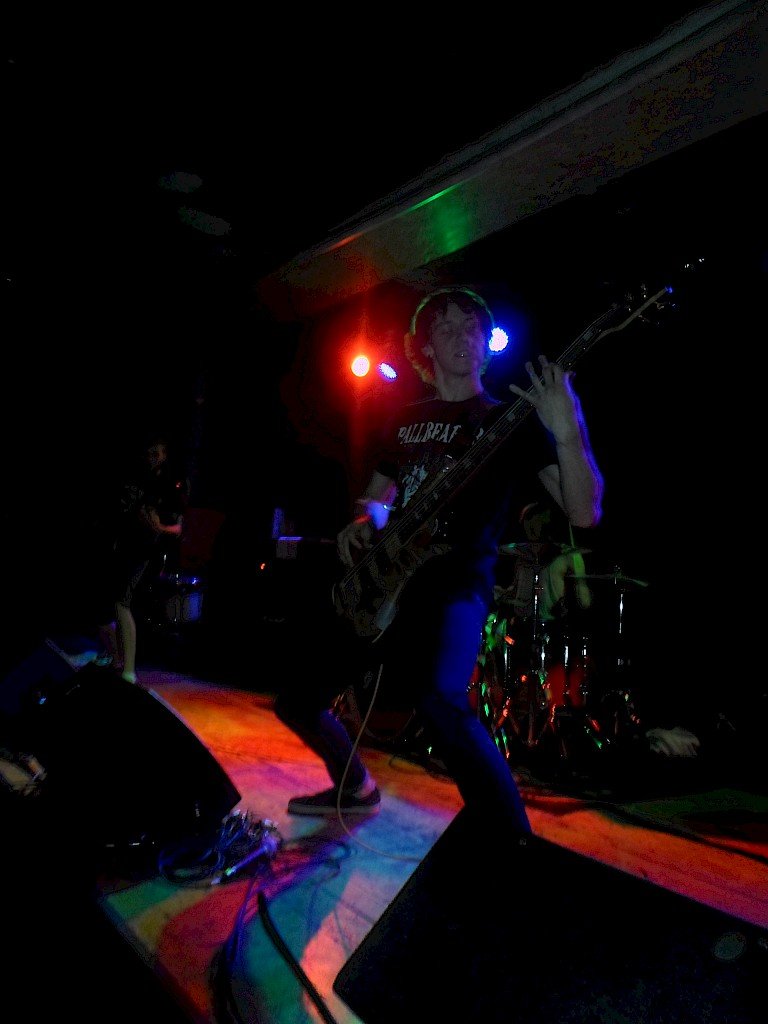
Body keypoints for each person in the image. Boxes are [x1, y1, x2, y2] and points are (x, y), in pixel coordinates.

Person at [273, 286, 604, 832]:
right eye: (446, 327)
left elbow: (584, 512)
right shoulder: (402, 418)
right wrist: (364, 520)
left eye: (472, 326)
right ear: (423, 347)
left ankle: (510, 838)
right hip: (382, 580)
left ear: (486, 342)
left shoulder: (508, 421)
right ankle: (354, 787)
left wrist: (569, 431)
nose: (461, 335)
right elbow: (377, 498)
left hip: (454, 581)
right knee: (295, 698)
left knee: (439, 700)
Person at [94, 435, 187, 684]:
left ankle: (128, 670)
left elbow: (177, 528)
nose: (152, 458)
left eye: (157, 453)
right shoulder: (139, 479)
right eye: (149, 453)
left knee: (121, 603)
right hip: (123, 546)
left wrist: (158, 526)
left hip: (143, 551)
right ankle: (116, 659)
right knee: (104, 607)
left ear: (165, 456)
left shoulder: (167, 487)